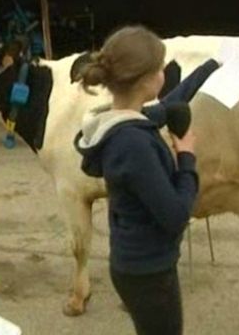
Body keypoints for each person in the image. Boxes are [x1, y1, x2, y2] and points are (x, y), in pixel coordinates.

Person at [74, 25, 201, 335]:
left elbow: (163, 107)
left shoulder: (113, 122)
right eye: (161, 68)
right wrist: (187, 157)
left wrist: (209, 69)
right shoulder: (134, 144)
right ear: (148, 80)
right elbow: (175, 215)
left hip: (132, 263)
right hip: (150, 273)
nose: (165, 73)